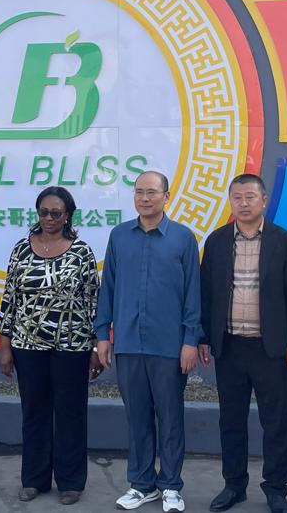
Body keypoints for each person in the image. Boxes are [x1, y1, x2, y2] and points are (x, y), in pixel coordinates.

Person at [199, 173, 287, 513]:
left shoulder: (282, 240)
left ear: (263, 200)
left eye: (250, 197)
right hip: (229, 346)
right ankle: (234, 485)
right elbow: (206, 292)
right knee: (231, 420)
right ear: (230, 202)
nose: (243, 204)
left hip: (270, 348)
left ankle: (276, 489)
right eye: (237, 198)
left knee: (275, 421)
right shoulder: (217, 241)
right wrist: (203, 336)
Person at [95, 170, 201, 513]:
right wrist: (102, 335)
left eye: (152, 192)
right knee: (137, 417)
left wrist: (190, 340)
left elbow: (193, 294)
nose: (144, 198)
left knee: (170, 418)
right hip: (128, 342)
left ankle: (170, 485)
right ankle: (142, 484)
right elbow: (108, 288)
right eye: (139, 191)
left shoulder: (183, 238)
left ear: (166, 196)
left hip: (169, 345)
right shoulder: (119, 236)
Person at [0, 186, 102, 506]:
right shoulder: (21, 249)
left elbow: (93, 302)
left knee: (71, 414)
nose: (49, 218)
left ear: (68, 215)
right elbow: (9, 300)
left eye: (56, 213)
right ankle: (34, 479)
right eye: (44, 212)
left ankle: (71, 482)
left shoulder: (81, 252)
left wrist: (96, 348)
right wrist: (5, 347)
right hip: (28, 346)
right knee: (34, 413)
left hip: (72, 346)